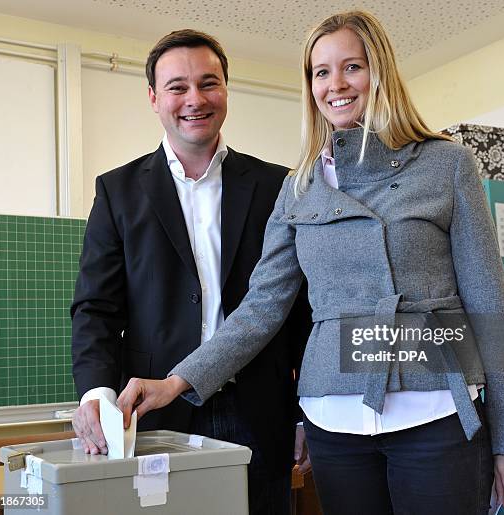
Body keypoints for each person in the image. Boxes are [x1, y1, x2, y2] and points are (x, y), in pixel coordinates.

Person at [117, 11, 504, 515]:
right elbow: (262, 309)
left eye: (352, 67)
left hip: (435, 409)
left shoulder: (445, 164)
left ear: (379, 72)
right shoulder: (298, 186)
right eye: (321, 72)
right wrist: (178, 380)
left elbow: (489, 302)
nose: (335, 85)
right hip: (335, 420)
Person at [70, 29, 311, 515]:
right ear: (154, 98)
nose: (195, 99)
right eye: (177, 87)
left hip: (260, 412)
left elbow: (300, 309)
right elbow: (96, 307)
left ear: (226, 90)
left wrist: (306, 413)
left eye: (209, 83)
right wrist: (97, 393)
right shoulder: (118, 191)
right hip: (155, 412)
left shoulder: (277, 185)